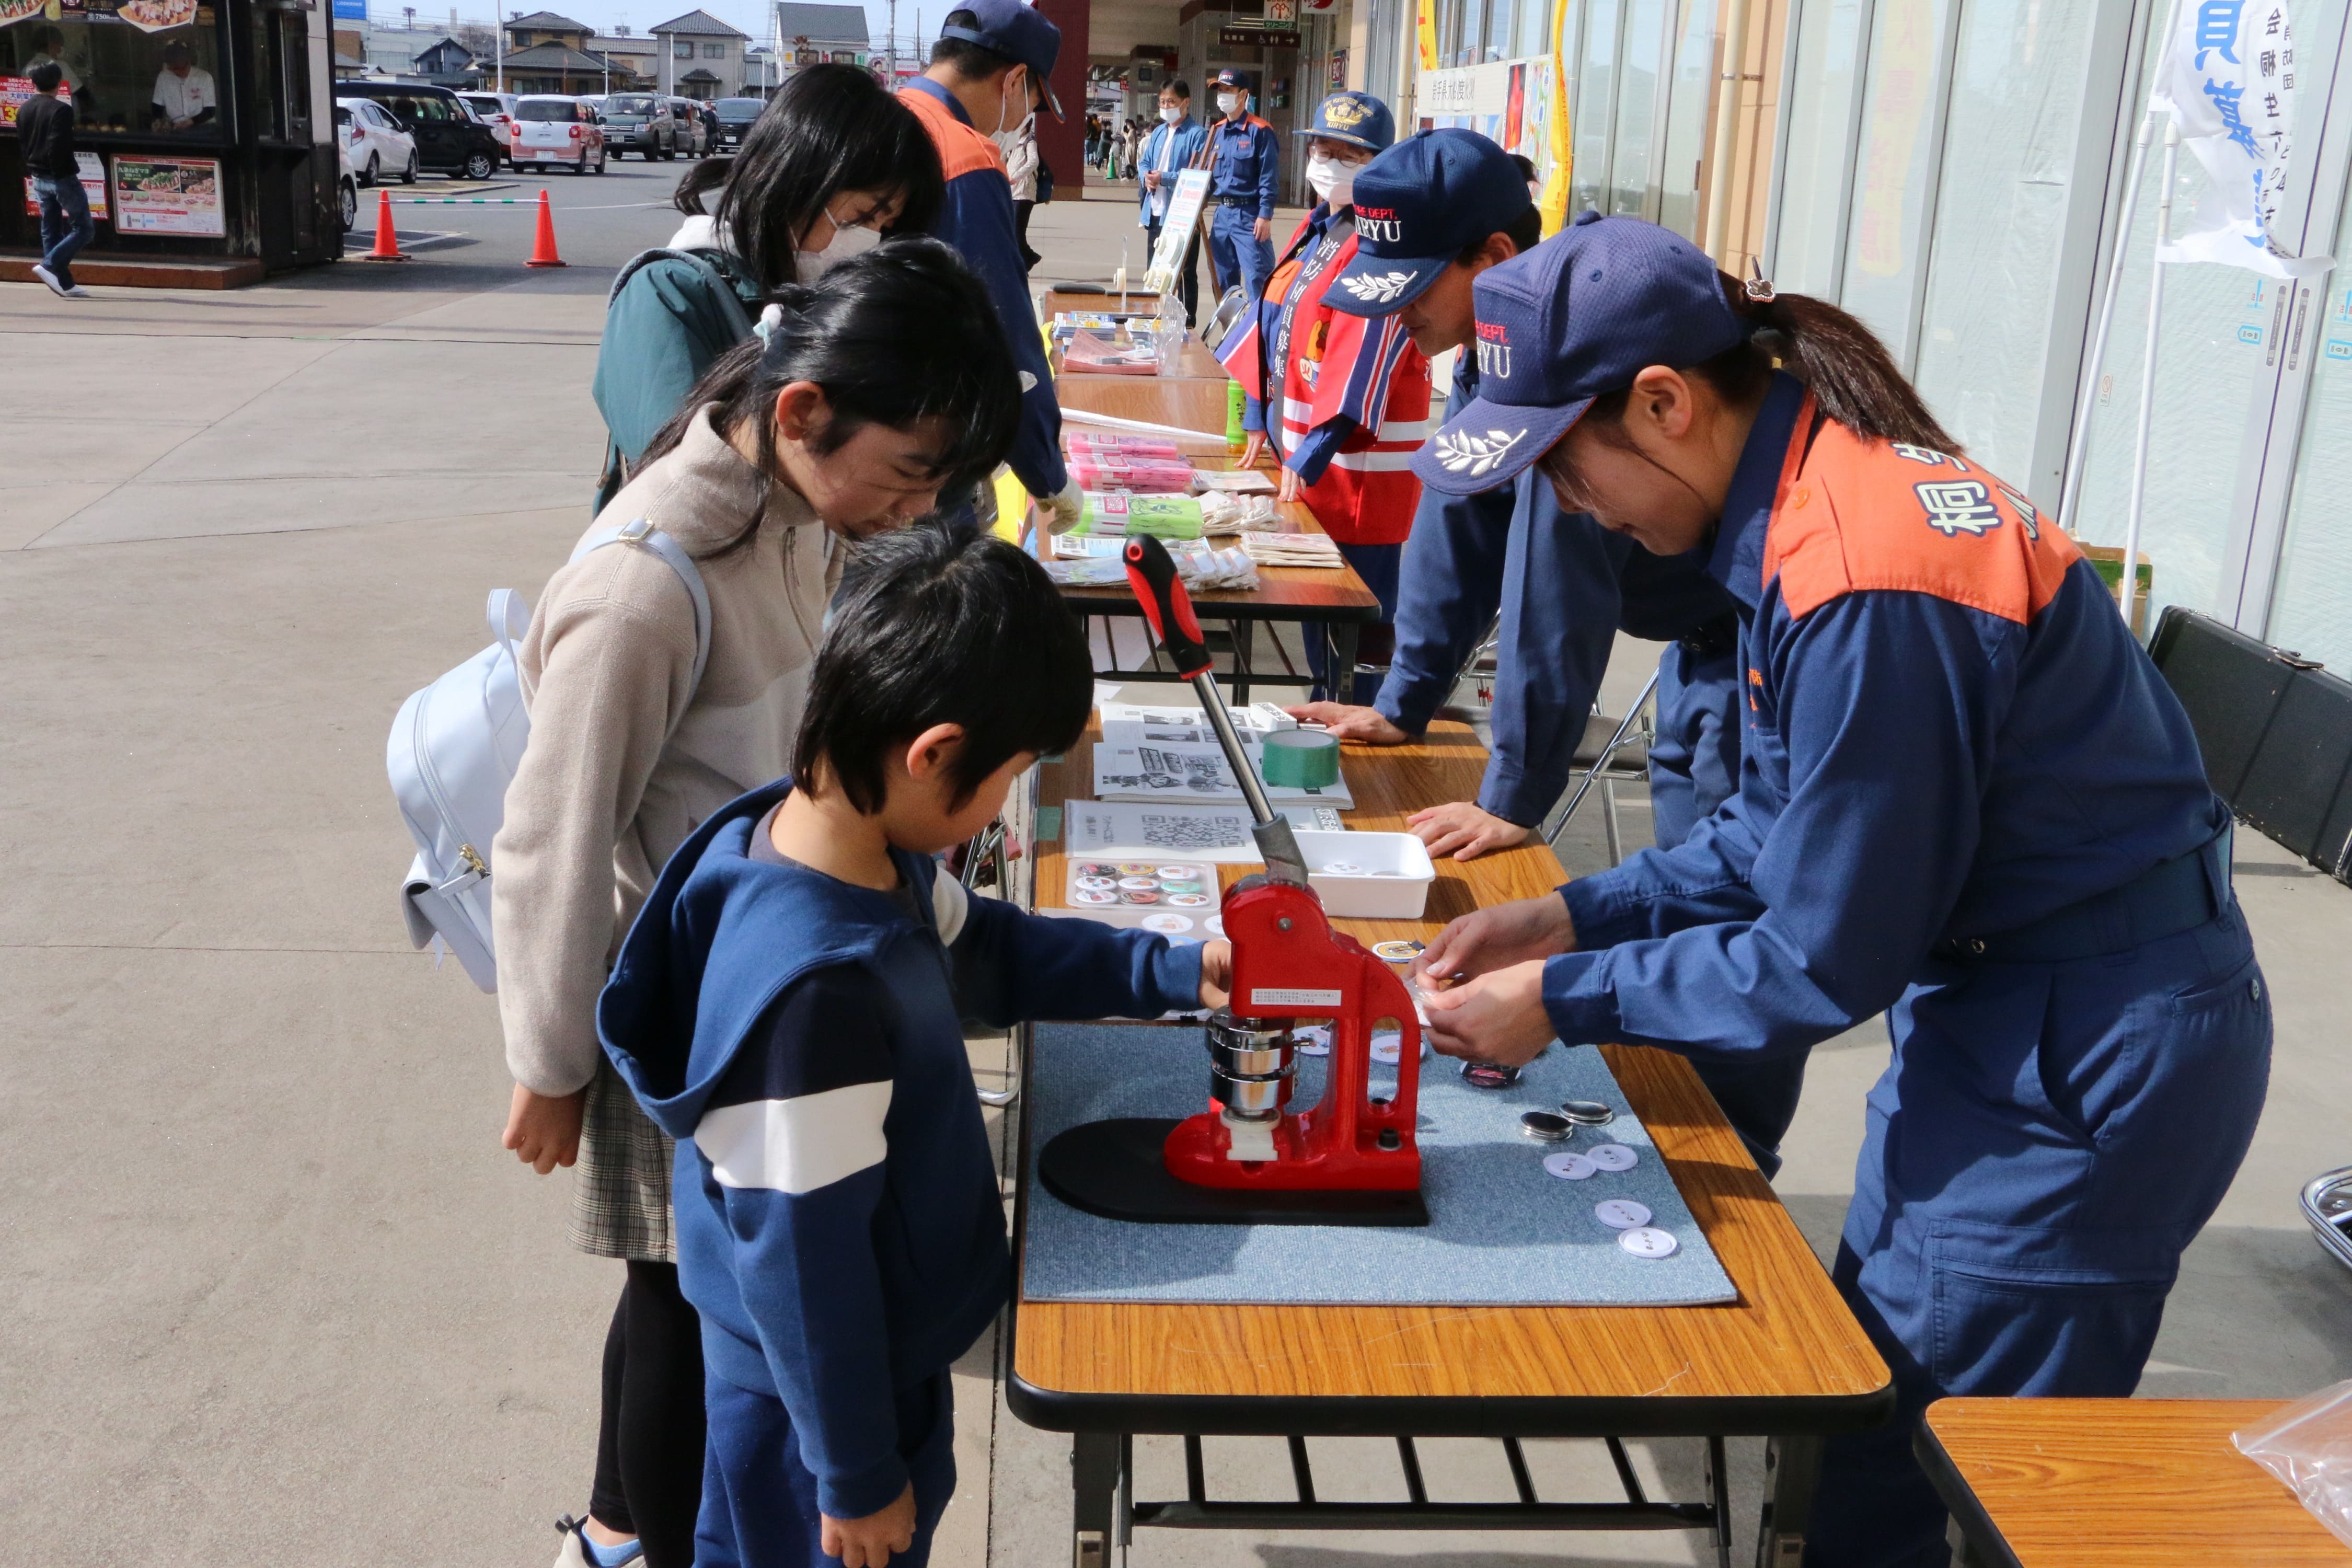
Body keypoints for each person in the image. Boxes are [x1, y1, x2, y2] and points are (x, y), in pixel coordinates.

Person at [1406, 213, 2272, 1566]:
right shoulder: (1810, 509)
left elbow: (1822, 952)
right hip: (2009, 1009)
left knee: (1955, 1474)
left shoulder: (1868, 571)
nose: (1575, 511)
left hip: (2083, 1046)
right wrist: (1574, 914)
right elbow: (1776, 824)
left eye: (1567, 471)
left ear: (1663, 405)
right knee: (1875, 1412)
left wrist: (1559, 1001)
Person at [495, 240, 1022, 1568]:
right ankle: (640, 1539)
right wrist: (549, 1061)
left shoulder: (795, 517)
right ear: (799, 412)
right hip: (703, 1006)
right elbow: (550, 837)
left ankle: (625, 1532)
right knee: (698, 1308)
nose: (921, 508)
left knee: (696, 1300)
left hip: (782, 949)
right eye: (911, 470)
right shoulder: (640, 588)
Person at [599, 525, 1231, 1568]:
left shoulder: (836, 846)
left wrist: (1164, 971)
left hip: (865, 1359)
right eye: (1009, 778)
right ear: (933, 754)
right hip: (822, 1407)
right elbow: (804, 1261)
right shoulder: (816, 1000)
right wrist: (854, 1474)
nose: (1000, 808)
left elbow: (985, 946)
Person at [1285, 132, 1781, 1166]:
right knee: (1692, 908)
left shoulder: (1577, 342)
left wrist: (1517, 794)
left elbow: (1556, 578)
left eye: (1416, 294)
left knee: (1735, 944)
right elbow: (1455, 508)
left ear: (1493, 253)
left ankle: (1732, 1195)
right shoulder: (1502, 343)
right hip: (1701, 659)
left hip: (1751, 667)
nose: (1404, 323)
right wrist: (1407, 694)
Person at [593, 64, 942, 511]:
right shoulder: (667, 295)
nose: (869, 242)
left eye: (883, 227)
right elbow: (685, 487)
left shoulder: (812, 298)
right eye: (861, 217)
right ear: (795, 180)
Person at [1218, 91, 1425, 704]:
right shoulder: (1322, 226)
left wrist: (1308, 455)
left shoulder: (1387, 246)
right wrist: (1260, 415)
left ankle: (1364, 743)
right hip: (1305, 467)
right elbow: (1274, 322)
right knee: (1316, 624)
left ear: (1383, 164)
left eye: (1349, 155)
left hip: (1355, 477)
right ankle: (1324, 708)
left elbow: (1363, 361)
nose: (1329, 163)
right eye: (1322, 149)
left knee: (1359, 635)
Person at [900, 0, 1081, 536]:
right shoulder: (962, 154)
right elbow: (1004, 338)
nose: (1027, 117)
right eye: (1033, 102)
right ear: (1015, 78)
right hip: (921, 451)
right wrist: (1046, 471)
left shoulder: (885, 115)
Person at [17, 64, 93, 301]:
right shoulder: (61, 110)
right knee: (84, 229)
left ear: (33, 83)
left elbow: (24, 143)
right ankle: (49, 265)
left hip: (38, 176)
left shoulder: (24, 109)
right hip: (60, 177)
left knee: (50, 229)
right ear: (59, 83)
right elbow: (57, 146)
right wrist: (61, 174)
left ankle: (64, 282)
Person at [1135, 80, 1207, 324]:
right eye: (1162, 102)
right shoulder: (1158, 132)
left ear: (1186, 103)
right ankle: (1154, 316)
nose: (1166, 107)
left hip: (1181, 214)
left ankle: (1187, 322)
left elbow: (1197, 174)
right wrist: (1146, 176)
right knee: (1156, 268)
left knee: (1185, 271)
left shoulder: (1197, 135)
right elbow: (1145, 162)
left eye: (1171, 102)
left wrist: (1164, 178)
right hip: (1155, 211)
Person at [1203, 68, 1277, 302]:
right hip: (1222, 215)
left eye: (1228, 90)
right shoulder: (1217, 131)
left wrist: (1265, 215)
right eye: (1220, 90)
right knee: (1223, 279)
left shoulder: (1260, 131)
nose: (1222, 95)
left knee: (1258, 277)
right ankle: (1231, 336)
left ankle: (1258, 335)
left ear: (1243, 94)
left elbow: (1269, 176)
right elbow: (1207, 176)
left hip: (1250, 216)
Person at [149, 41, 216, 131]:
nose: (178, 72)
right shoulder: (163, 77)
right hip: (176, 127)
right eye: (174, 69)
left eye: (182, 69)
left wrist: (190, 122)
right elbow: (157, 105)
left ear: (189, 63)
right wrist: (157, 121)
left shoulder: (205, 77)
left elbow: (210, 111)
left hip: (203, 125)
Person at [1004, 114, 1041, 271]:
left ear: (1027, 127)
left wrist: (1017, 176)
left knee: (1018, 232)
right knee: (1013, 231)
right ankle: (1027, 259)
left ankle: (1028, 259)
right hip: (1013, 193)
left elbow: (1034, 162)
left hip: (1025, 193)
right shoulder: (1013, 145)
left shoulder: (1029, 142)